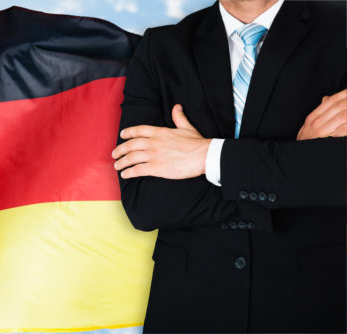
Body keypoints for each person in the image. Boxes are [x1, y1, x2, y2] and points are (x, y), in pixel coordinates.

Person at [112, 0, 347, 332]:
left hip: (314, 307)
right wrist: (295, 164)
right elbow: (146, 204)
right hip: (189, 310)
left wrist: (205, 156)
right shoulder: (162, 48)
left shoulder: (342, 31)